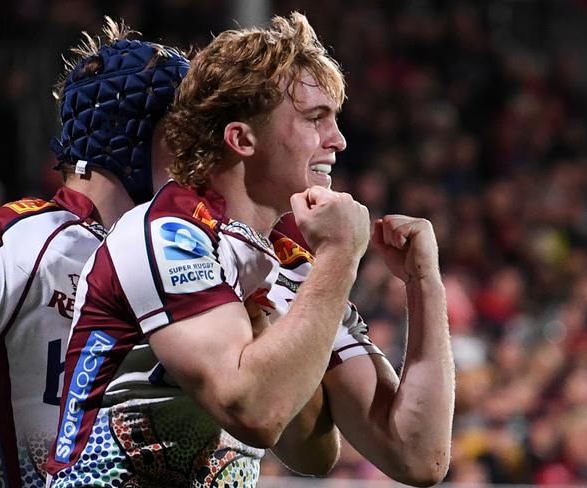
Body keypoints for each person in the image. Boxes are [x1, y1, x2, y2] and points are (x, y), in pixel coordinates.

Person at [45, 13, 366, 488]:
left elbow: (318, 452)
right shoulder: (150, 234)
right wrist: (340, 257)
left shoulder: (271, 260)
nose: (337, 140)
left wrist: (422, 280)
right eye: (315, 118)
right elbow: (254, 410)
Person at [0, 18, 190, 488]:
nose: (197, 157)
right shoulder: (22, 240)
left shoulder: (187, 254)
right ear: (132, 138)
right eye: (181, 136)